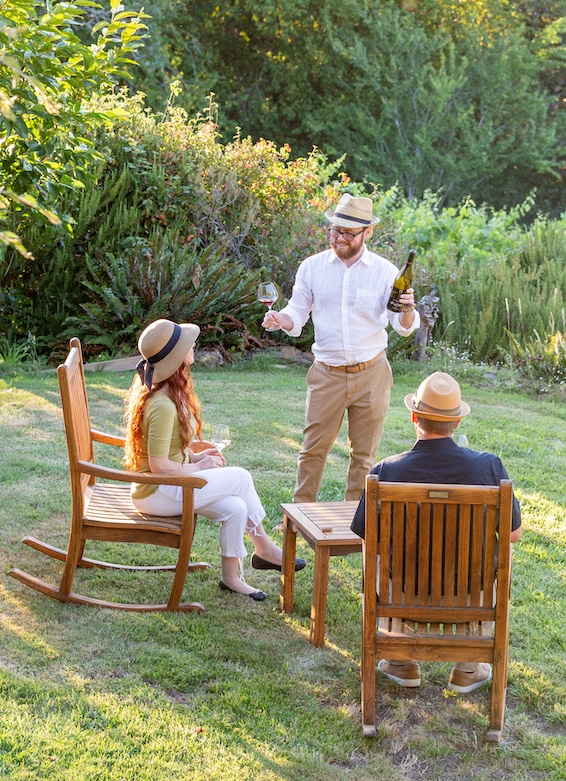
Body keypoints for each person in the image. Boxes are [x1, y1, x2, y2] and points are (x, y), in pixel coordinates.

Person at [351, 371, 522, 693]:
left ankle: (401, 662)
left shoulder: (386, 471)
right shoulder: (489, 468)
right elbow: (513, 534)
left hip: (401, 593)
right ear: (456, 423)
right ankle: (467, 669)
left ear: (414, 416)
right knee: (494, 569)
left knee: (380, 564)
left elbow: (366, 539)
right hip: (473, 595)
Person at [124, 318, 306, 601]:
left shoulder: (168, 394)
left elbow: (170, 452)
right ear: (175, 360)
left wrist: (196, 454)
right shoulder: (161, 404)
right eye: (187, 344)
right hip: (155, 492)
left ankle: (231, 578)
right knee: (241, 477)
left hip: (167, 484)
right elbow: (158, 465)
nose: (193, 345)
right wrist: (197, 467)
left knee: (234, 506)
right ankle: (264, 548)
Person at [262, 193, 420, 502]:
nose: (340, 237)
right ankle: (299, 514)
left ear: (367, 233)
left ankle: (354, 521)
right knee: (312, 450)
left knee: (364, 456)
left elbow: (402, 327)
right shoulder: (312, 268)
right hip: (327, 374)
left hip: (372, 372)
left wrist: (409, 309)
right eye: (336, 230)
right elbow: (297, 314)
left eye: (348, 232)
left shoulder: (385, 272)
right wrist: (281, 318)